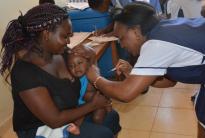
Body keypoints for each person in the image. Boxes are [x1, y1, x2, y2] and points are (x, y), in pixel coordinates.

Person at [75, 2, 205, 138]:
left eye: (122, 38)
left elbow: (125, 94)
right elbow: (169, 82)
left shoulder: (156, 44)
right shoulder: (161, 31)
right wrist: (134, 74)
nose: (122, 45)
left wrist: (94, 76)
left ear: (136, 32)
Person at [0, 3, 121, 138]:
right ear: (46, 34)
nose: (69, 42)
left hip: (69, 112)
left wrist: (91, 57)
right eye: (65, 36)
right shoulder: (25, 72)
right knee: (102, 134)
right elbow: (54, 120)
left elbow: (87, 75)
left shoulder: (62, 53)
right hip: (41, 127)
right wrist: (93, 105)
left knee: (111, 117)